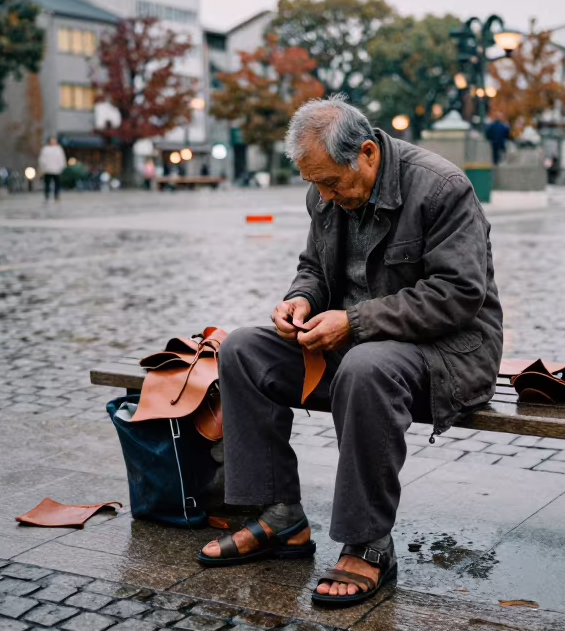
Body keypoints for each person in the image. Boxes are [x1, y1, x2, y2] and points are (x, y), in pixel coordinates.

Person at [198, 96, 503, 607]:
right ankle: (280, 516)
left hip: (446, 352)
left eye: (333, 183)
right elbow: (314, 268)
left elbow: (458, 294)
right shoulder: (328, 190)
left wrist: (355, 321)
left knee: (365, 367)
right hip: (357, 344)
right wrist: (300, 299)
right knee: (243, 350)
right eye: (314, 184)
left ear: (366, 152)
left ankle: (368, 542)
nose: (324, 195)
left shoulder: (442, 187)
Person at [38, 136, 65, 203]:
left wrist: (61, 167)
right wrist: (43, 167)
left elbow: (61, 159)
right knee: (47, 184)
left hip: (56, 170)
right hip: (48, 170)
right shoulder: (45, 149)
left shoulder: (58, 149)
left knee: (57, 184)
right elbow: (42, 159)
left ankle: (56, 196)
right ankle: (47, 195)